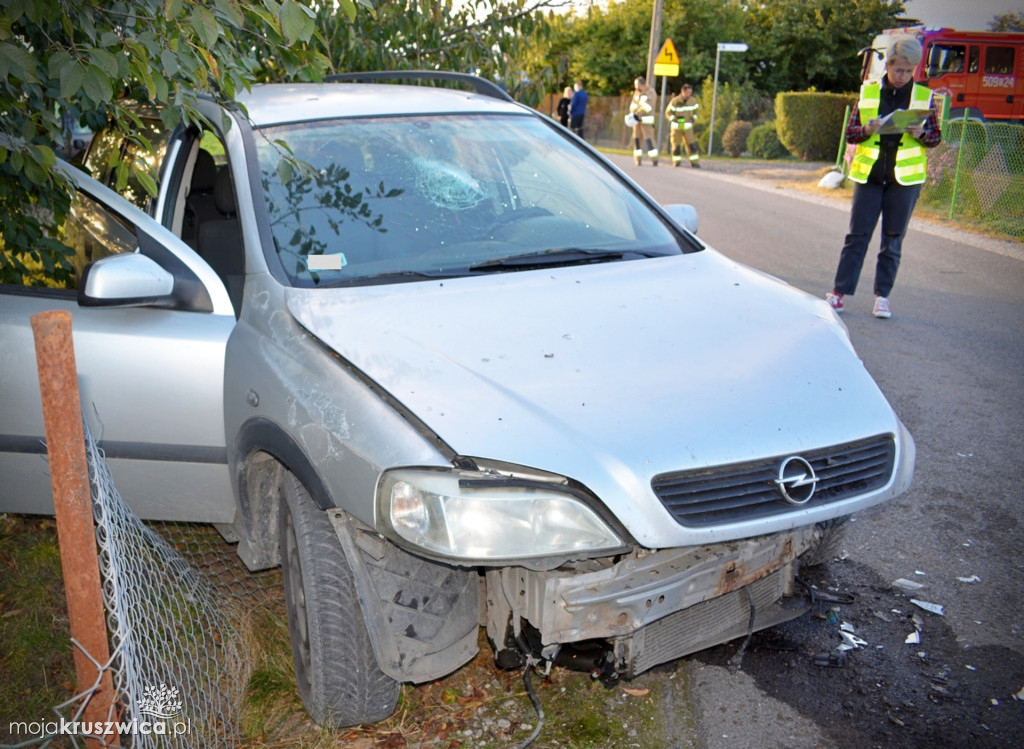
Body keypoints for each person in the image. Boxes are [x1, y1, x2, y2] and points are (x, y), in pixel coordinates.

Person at [826, 35, 940, 319]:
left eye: (909, 70)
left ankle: (882, 298)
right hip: (870, 177)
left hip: (904, 182)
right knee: (857, 237)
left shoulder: (924, 98)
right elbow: (851, 133)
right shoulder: (868, 93)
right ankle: (839, 294)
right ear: (887, 65)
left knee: (892, 240)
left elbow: (936, 138)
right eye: (898, 69)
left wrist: (922, 134)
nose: (903, 76)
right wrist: (867, 129)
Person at [665, 83, 701, 168]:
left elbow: (697, 111)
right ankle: (676, 161)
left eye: (690, 92)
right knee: (676, 145)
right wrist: (674, 119)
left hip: (687, 127)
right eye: (688, 92)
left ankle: (694, 162)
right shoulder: (675, 101)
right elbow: (668, 112)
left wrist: (693, 119)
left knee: (691, 145)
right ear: (683, 91)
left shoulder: (693, 101)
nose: (689, 94)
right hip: (676, 127)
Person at [628, 76, 659, 166]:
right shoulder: (637, 93)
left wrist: (638, 114)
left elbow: (648, 107)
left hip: (646, 121)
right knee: (637, 140)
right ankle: (638, 159)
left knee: (649, 140)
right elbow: (633, 105)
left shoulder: (651, 92)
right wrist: (633, 114)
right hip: (636, 121)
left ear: (641, 84)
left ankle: (654, 159)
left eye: (636, 85)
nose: (635, 87)